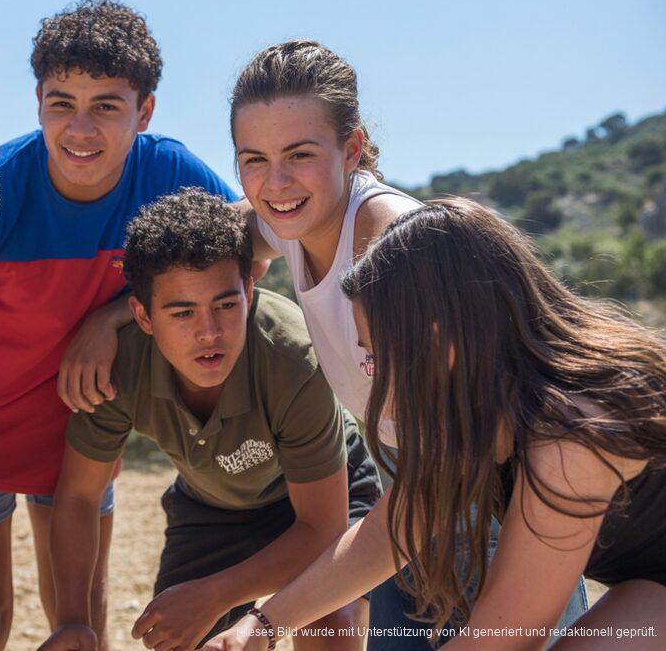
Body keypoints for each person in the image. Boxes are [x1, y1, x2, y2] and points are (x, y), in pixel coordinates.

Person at [214, 39, 586, 648]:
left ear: (352, 148)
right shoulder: (287, 216)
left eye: (299, 154)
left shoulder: (395, 249)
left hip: (490, 504)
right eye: (252, 159)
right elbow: (196, 251)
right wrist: (116, 317)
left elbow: (456, 455)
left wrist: (267, 619)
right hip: (407, 498)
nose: (273, 182)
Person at [213, 198, 666, 650]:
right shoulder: (486, 408)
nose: (371, 381)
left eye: (372, 358)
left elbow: (503, 637)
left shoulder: (568, 435)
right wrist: (264, 624)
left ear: (436, 347)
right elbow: (387, 536)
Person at [0, 0, 239, 651]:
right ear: (38, 101)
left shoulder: (169, 172)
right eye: (61, 103)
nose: (80, 127)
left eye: (106, 105)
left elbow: (247, 251)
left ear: (145, 111)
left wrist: (114, 319)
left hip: (83, 435)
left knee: (82, 622)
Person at [38, 189, 382, 651]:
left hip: (324, 498)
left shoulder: (295, 358)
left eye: (225, 305)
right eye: (181, 313)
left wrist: (215, 595)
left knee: (331, 624)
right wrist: (73, 619)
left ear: (249, 291)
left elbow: (321, 529)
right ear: (142, 315)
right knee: (180, 638)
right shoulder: (117, 366)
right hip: (212, 506)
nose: (209, 333)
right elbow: (79, 496)